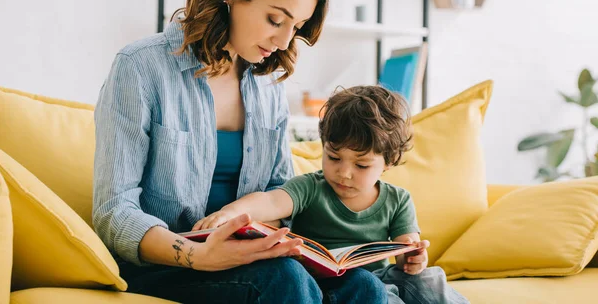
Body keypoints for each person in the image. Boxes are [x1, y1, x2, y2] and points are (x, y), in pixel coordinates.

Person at [93, 0, 389, 304]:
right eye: (275, 19)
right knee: (282, 280)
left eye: (295, 27)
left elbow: (283, 195)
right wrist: (199, 255)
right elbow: (114, 211)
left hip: (252, 262)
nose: (283, 40)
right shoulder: (141, 68)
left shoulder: (268, 88)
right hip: (168, 266)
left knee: (364, 286)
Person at [195, 85, 471, 304]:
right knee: (371, 288)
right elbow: (270, 201)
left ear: (388, 161)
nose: (344, 173)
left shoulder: (398, 200)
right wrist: (230, 212)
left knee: (424, 280)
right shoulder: (311, 187)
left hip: (377, 280)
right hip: (322, 283)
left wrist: (413, 258)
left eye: (361, 165)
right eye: (334, 157)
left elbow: (404, 249)